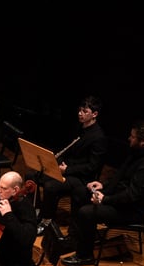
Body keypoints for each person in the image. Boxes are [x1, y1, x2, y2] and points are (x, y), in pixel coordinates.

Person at [62, 121, 144, 266]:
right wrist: (103, 185)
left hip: (133, 210)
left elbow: (132, 196)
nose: (129, 138)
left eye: (133, 137)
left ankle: (85, 256)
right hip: (121, 198)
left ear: (143, 141)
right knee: (80, 191)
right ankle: (74, 238)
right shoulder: (137, 153)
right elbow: (121, 175)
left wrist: (105, 199)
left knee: (87, 213)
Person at [31, 96, 108, 228]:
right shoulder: (78, 127)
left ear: (95, 114)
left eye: (85, 111)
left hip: (80, 178)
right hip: (66, 169)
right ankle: (36, 211)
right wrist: (55, 160)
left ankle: (46, 220)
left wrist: (67, 170)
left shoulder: (98, 137)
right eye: (80, 110)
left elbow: (92, 167)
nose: (80, 113)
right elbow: (66, 149)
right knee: (32, 176)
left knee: (51, 186)